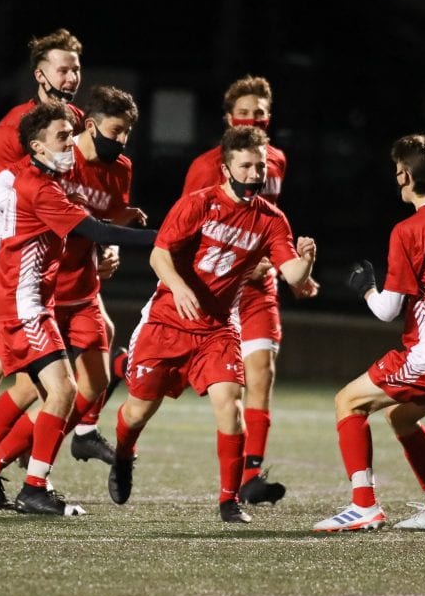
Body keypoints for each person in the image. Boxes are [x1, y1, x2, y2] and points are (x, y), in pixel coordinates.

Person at [108, 125, 316, 523]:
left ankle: (228, 500)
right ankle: (123, 454)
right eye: (247, 165)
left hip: (218, 328)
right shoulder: (198, 204)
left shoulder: (273, 220)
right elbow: (159, 255)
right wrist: (179, 289)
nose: (256, 174)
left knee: (230, 406)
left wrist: (307, 260)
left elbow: (291, 275)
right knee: (137, 412)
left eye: (261, 167)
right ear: (226, 169)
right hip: (168, 321)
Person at [0, 100, 155, 516]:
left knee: (79, 387)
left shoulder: (44, 175)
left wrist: (111, 240)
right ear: (38, 146)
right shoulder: (42, 185)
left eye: (71, 133)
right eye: (63, 136)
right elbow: (89, 226)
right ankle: (2, 471)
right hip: (25, 306)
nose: (72, 142)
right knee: (52, 389)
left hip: (48, 299)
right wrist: (171, 238)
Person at [312, 134, 425, 533]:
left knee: (349, 402)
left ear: (404, 175)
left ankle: (364, 507)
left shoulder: (411, 229)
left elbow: (387, 311)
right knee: (401, 418)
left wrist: (366, 289)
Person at [0, 28, 86, 483]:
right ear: (39, 73)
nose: (71, 76)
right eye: (62, 68)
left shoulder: (75, 120)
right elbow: (8, 197)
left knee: (42, 372)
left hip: (52, 248)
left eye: (76, 68)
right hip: (7, 250)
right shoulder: (15, 127)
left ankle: (3, 456)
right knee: (0, 355)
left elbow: (77, 193)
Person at [180, 75, 318, 505]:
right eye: (244, 112)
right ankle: (128, 365)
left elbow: (268, 220)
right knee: (159, 384)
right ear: (227, 118)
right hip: (214, 286)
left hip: (259, 286)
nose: (253, 117)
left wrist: (290, 266)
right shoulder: (206, 166)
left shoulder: (276, 159)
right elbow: (184, 231)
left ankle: (250, 476)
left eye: (260, 111)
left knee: (261, 372)